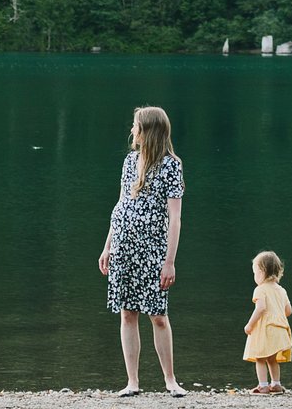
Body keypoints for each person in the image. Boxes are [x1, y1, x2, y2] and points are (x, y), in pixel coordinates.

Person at [99, 104, 187, 397]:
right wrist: (108, 245)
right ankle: (132, 382)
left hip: (153, 248)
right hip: (123, 244)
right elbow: (120, 205)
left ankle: (170, 380)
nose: (132, 130)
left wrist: (169, 261)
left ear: (148, 131)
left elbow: (174, 217)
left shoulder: (172, 164)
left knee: (158, 315)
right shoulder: (129, 162)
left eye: (136, 125)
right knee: (127, 313)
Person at [241, 249, 292, 393]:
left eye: (255, 272)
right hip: (280, 329)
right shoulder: (282, 290)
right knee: (272, 359)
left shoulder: (260, 289)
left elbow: (261, 308)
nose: (254, 276)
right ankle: (276, 384)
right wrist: (277, 312)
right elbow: (288, 311)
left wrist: (250, 324)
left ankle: (263, 385)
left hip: (265, 330)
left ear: (263, 271)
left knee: (260, 358)